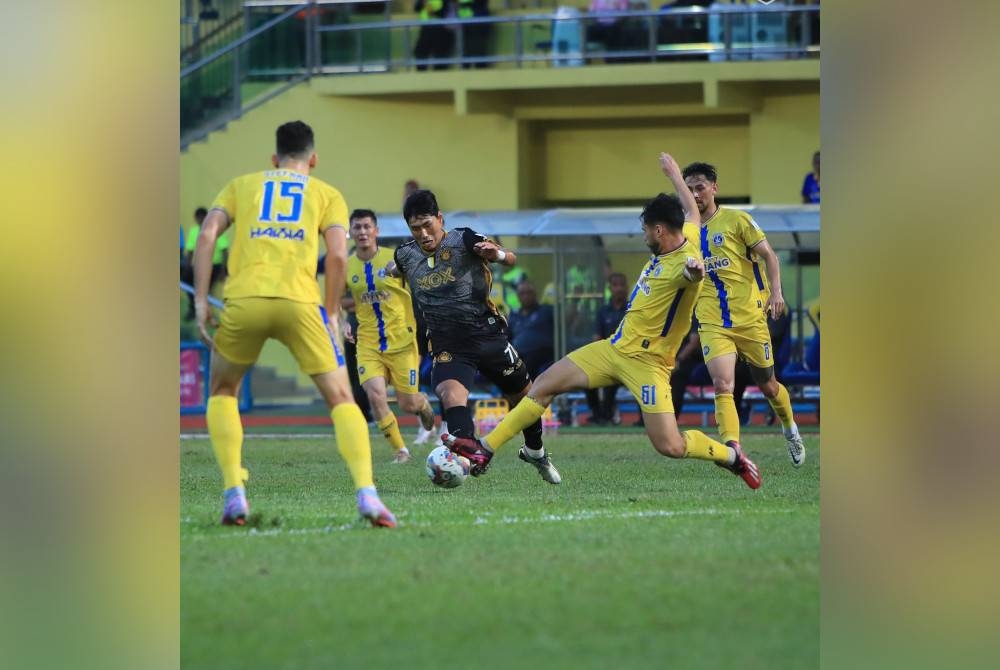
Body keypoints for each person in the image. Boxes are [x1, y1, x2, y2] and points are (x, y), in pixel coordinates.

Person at [445, 154, 761, 490]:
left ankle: (731, 457)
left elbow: (690, 272)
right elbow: (693, 211)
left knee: (670, 446)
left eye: (644, 231)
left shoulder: (685, 261)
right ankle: (485, 450)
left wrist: (695, 272)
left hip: (648, 364)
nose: (642, 237)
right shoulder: (688, 234)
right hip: (614, 348)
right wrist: (673, 177)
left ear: (658, 230)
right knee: (543, 385)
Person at [194, 120, 396, 528]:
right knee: (341, 398)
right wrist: (332, 312)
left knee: (222, 390)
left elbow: (208, 232)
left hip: (245, 299)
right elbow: (338, 256)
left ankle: (235, 492)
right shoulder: (326, 193)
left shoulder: (240, 185)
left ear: (274, 158)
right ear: (313, 159)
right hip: (301, 305)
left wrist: (200, 300)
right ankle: (367, 494)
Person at [388, 189, 560, 484]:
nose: (424, 234)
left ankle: (536, 451)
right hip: (448, 344)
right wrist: (390, 270)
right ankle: (467, 456)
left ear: (440, 219)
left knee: (526, 399)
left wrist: (499, 254)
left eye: (428, 225)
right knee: (449, 394)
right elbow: (397, 267)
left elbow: (510, 259)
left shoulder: (463, 238)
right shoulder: (405, 254)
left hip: (487, 334)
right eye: (416, 228)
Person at [682, 160, 806, 466]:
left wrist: (776, 293)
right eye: (688, 189)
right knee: (723, 384)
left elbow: (769, 256)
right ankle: (733, 451)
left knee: (767, 385)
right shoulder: (685, 232)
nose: (695, 194)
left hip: (750, 317)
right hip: (712, 321)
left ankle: (789, 427)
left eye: (700, 187)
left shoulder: (737, 220)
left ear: (714, 188)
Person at [342, 208, 437, 464]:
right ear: (350, 233)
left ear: (376, 231)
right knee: (375, 394)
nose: (362, 232)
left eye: (366, 227)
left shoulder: (396, 258)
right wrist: (342, 322)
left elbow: (423, 280)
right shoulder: (344, 264)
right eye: (357, 228)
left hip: (402, 341)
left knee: (408, 404)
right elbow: (336, 300)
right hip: (368, 342)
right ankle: (400, 451)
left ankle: (422, 403)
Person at [585, 271, 629, 425]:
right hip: (607, 357)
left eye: (622, 285)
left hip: (629, 358)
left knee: (611, 381)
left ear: (627, 287)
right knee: (586, 377)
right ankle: (598, 414)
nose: (619, 288)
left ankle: (607, 415)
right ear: (610, 288)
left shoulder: (633, 309)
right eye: (615, 285)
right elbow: (597, 337)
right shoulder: (603, 311)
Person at [181, 206, 228, 319]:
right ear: (196, 219)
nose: (200, 220)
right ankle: (193, 307)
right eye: (198, 218)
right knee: (185, 278)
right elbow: (190, 251)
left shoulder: (216, 229)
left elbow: (224, 251)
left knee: (203, 286)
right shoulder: (194, 231)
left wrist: (223, 270)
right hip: (198, 266)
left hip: (214, 266)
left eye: (203, 218)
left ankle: (205, 313)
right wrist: (187, 267)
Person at [506, 280, 555, 380]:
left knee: (525, 363)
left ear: (535, 294)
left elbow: (567, 320)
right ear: (518, 296)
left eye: (529, 293)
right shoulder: (513, 316)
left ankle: (527, 391)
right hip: (519, 354)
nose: (526, 296)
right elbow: (507, 338)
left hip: (542, 353)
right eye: (522, 293)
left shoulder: (546, 310)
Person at [414, 0, 455, 71]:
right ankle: (421, 73)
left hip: (440, 29)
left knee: (440, 54)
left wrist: (430, 9)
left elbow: (443, 12)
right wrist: (422, 3)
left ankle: (440, 73)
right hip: (426, 28)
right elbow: (416, 8)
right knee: (420, 52)